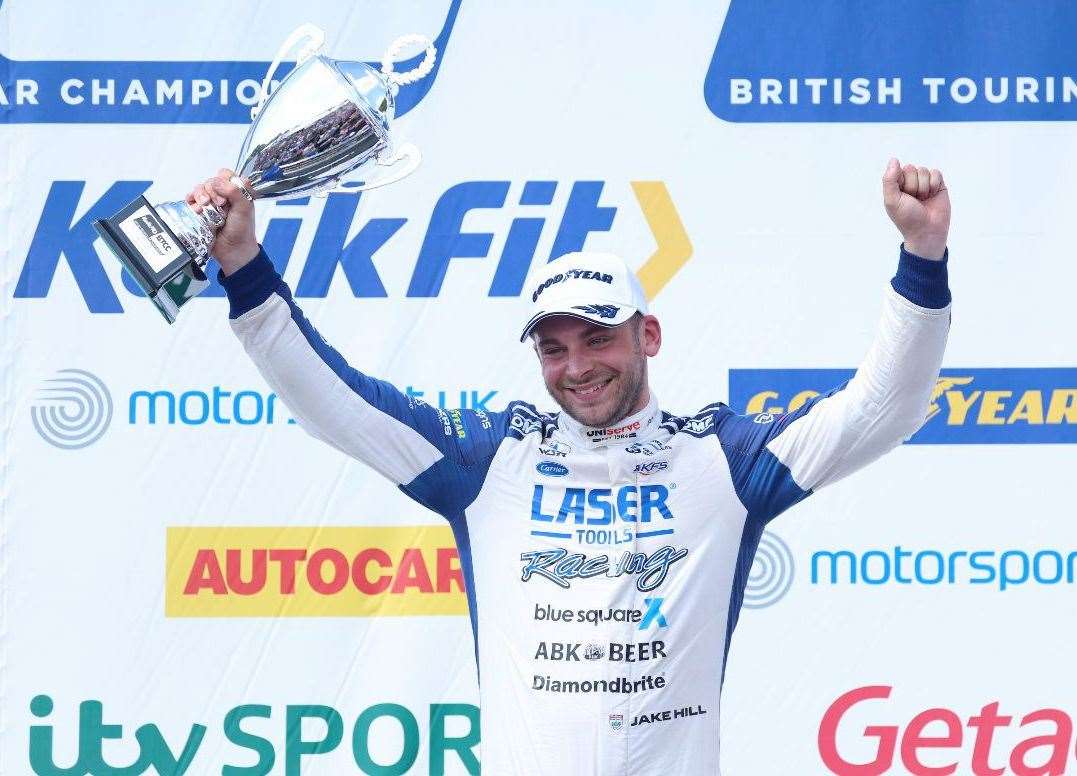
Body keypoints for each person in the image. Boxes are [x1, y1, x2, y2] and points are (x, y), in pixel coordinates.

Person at [187, 158, 951, 775]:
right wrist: (245, 268)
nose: (575, 366)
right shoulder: (487, 461)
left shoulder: (722, 459)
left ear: (647, 335)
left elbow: (883, 409)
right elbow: (334, 402)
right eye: (553, 347)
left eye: (596, 339)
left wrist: (922, 257)